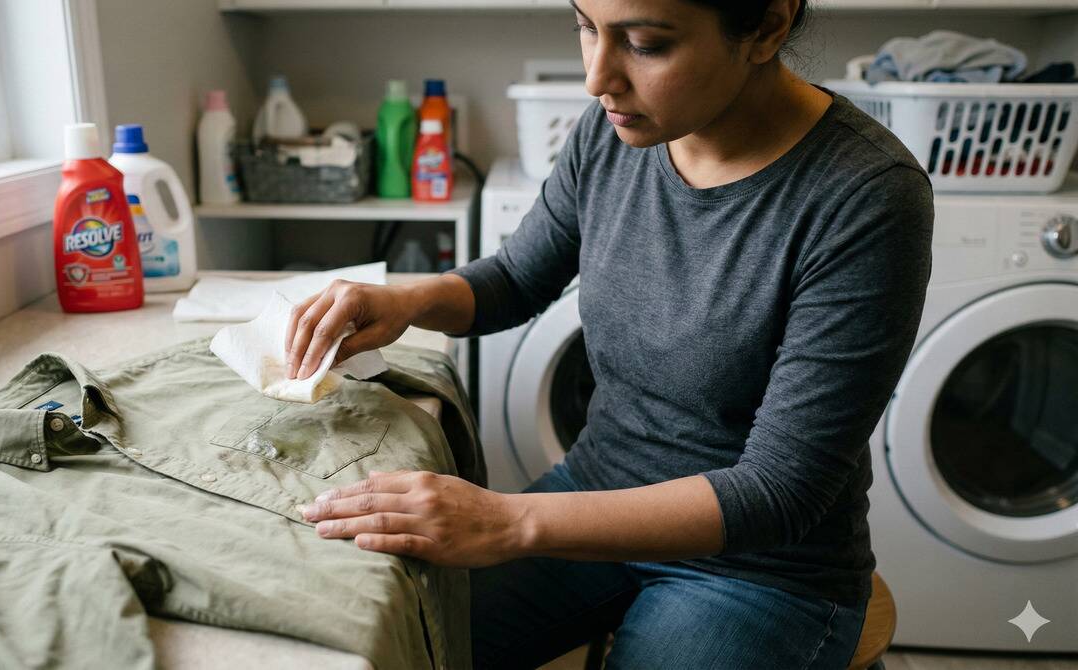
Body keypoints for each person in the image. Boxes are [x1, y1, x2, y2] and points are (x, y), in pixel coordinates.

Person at [287, 0, 934, 667]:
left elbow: (778, 489)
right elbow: (514, 278)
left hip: (759, 573)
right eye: (586, 26)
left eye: (647, 44)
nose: (598, 78)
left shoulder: (866, 195)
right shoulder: (614, 131)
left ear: (767, 26)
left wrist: (509, 522)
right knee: (381, 633)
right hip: (598, 492)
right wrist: (402, 300)